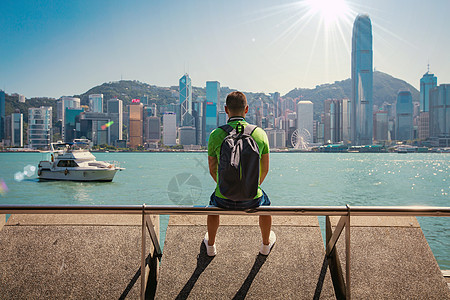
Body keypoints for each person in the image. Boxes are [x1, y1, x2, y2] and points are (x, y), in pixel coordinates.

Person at [204, 91, 276, 257]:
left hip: (223, 198)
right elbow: (265, 169)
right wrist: (251, 186)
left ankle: (211, 246)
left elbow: (212, 168)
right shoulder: (260, 133)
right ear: (247, 109)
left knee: (212, 204)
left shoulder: (215, 135)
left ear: (226, 109)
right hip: (252, 198)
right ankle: (265, 245)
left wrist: (225, 185)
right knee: (267, 205)